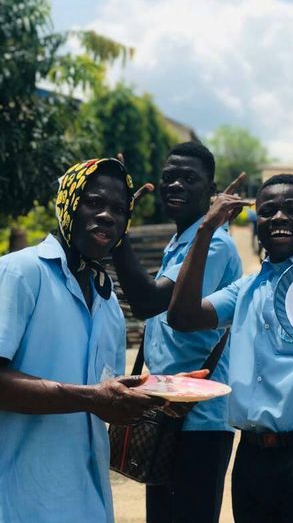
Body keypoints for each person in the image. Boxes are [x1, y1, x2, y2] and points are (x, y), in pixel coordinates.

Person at [166, 80, 293, 523]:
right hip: (253, 460)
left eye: (292, 208)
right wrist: (204, 230)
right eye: (268, 209)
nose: (279, 216)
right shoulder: (248, 288)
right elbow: (182, 317)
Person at [0, 158, 163, 522]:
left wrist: (154, 401)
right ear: (68, 203)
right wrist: (91, 398)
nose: (107, 215)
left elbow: (105, 396)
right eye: (94, 202)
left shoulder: (108, 304)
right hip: (20, 501)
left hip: (88, 500)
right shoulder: (20, 273)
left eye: (119, 209)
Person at [111, 142, 243, 523]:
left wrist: (119, 233)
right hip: (167, 408)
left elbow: (151, 302)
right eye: (169, 178)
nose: (176, 186)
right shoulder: (179, 240)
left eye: (189, 178)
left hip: (199, 418)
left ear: (211, 189)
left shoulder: (213, 244)